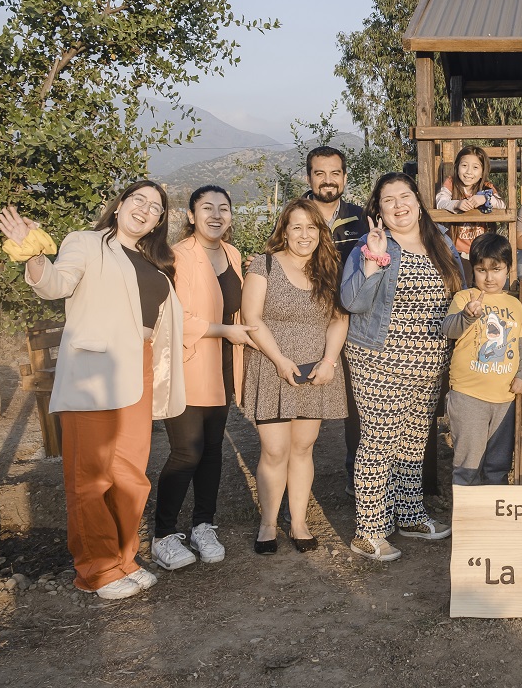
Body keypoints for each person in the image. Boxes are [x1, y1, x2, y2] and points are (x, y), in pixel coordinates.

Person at [0, 181, 185, 600]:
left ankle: (124, 559)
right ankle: (95, 571)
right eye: (138, 199)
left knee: (130, 477)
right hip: (95, 371)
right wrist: (33, 256)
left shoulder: (155, 263)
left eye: (155, 207)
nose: (145, 209)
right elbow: (56, 284)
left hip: (139, 368)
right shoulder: (85, 242)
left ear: (159, 221)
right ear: (119, 206)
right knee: (90, 476)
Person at [341, 172, 464, 562]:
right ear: (377, 210)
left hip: (430, 361)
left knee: (413, 443)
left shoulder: (440, 240)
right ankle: (369, 530)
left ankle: (409, 514)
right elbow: (352, 302)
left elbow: (456, 294)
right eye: (388, 200)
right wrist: (374, 262)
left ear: (418, 199)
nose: (399, 205)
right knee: (380, 442)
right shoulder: (371, 243)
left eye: (405, 195)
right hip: (380, 360)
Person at [151, 186, 256, 570]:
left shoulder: (232, 254)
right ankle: (163, 534)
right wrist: (221, 330)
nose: (216, 214)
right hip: (189, 363)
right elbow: (171, 318)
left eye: (223, 208)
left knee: (213, 449)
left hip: (224, 365)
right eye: (206, 208)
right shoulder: (175, 257)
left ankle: (203, 524)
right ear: (191, 215)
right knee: (186, 451)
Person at [242, 199, 348, 555]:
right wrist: (280, 360)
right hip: (273, 366)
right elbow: (252, 318)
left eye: (312, 228)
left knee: (303, 448)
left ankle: (299, 522)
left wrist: (329, 361)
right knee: (274, 450)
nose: (305, 235)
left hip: (314, 367)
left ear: (321, 232)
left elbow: (339, 319)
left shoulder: (329, 268)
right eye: (297, 227)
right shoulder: (264, 264)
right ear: (284, 231)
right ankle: (268, 523)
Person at [303, 144, 368, 499]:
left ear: (344, 177)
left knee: (357, 405)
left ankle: (355, 477)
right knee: (301, 401)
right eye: (320, 173)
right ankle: (296, 486)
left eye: (334, 173)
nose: (328, 180)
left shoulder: (361, 218)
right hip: (307, 322)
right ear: (309, 176)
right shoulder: (294, 216)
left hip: (353, 321)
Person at [441, 234, 522, 485]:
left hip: (505, 400)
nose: (489, 277)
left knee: (498, 466)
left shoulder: (514, 304)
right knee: (467, 466)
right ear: (474, 270)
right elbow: (449, 329)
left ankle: (494, 522)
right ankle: (467, 522)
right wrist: (468, 315)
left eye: (497, 269)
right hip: (468, 396)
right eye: (482, 270)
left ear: (508, 270)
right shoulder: (464, 298)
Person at [435, 145, 506, 282]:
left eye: (475, 167)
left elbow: (502, 205)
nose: (468, 172)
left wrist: (485, 199)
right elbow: (440, 202)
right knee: (465, 279)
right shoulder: (451, 184)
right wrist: (456, 204)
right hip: (459, 251)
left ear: (482, 172)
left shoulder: (487, 188)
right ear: (457, 167)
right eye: (464, 166)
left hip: (483, 250)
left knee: (486, 281)